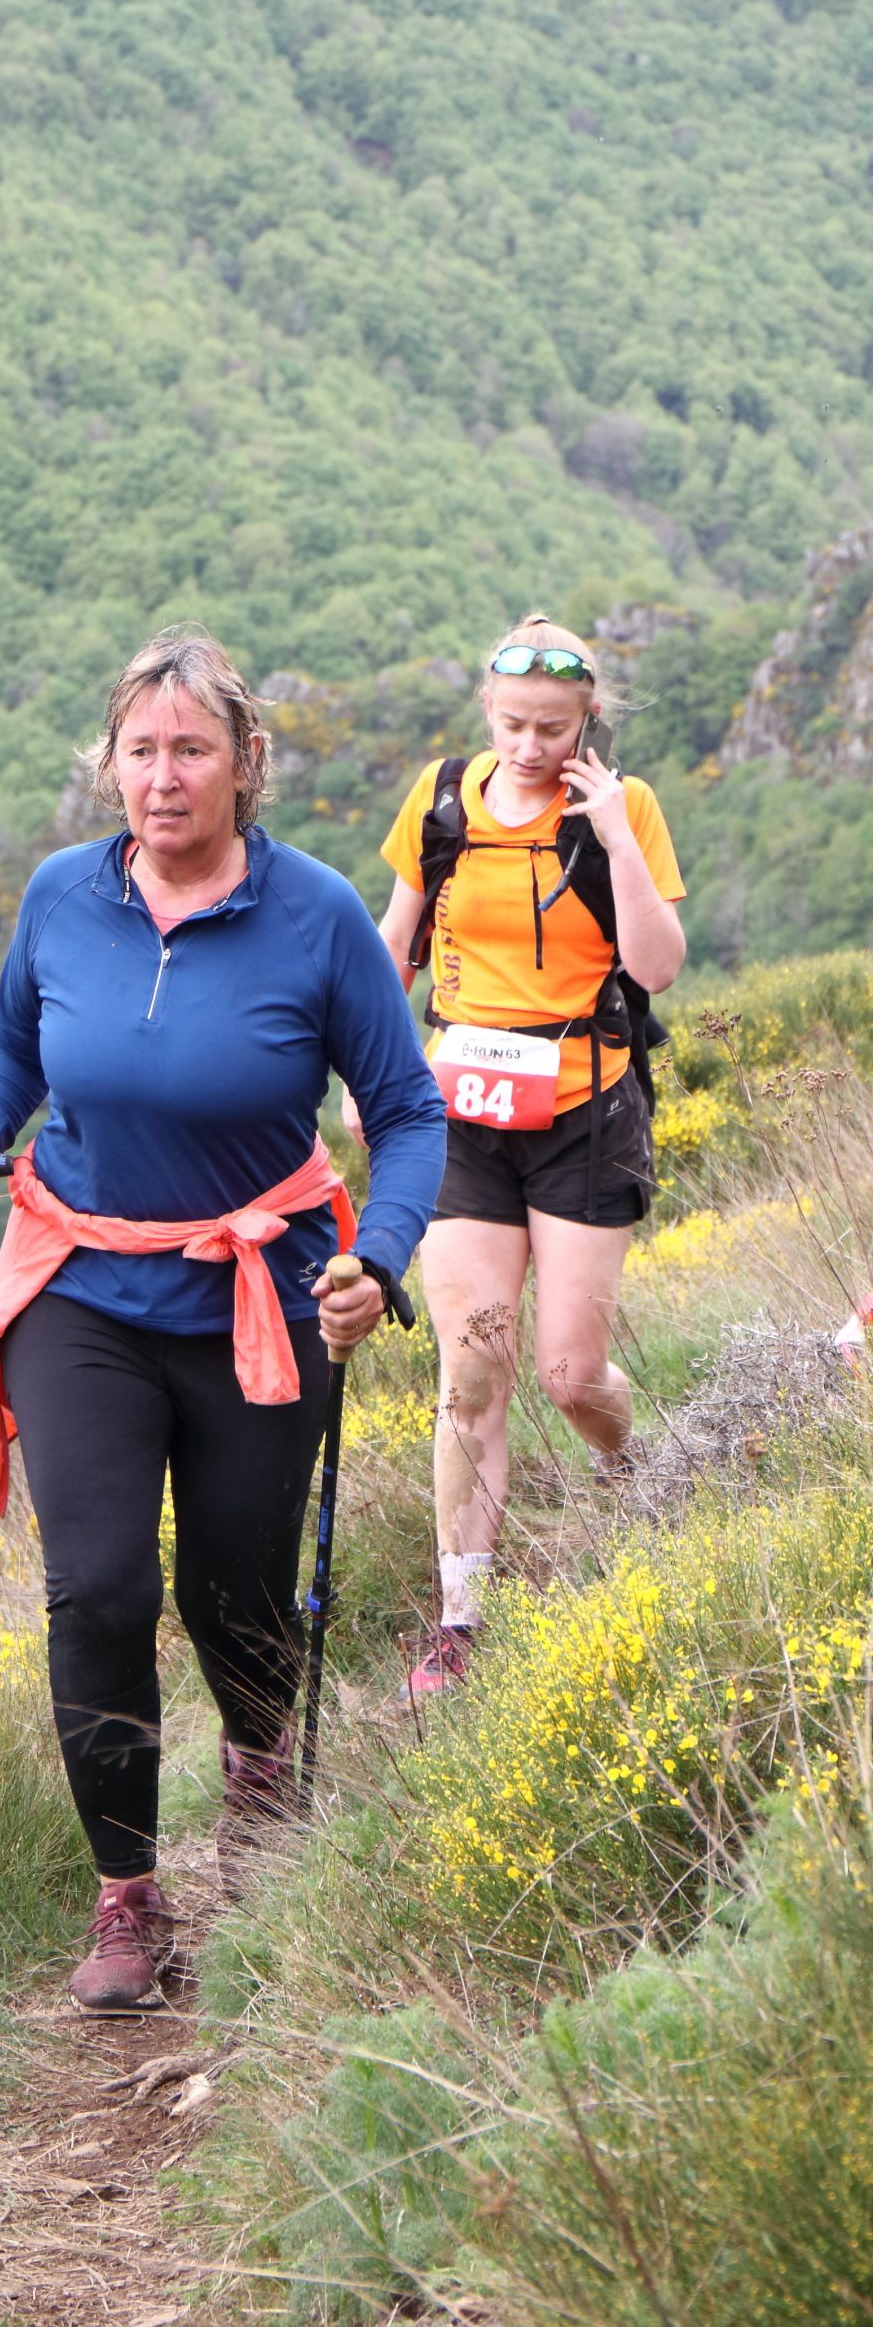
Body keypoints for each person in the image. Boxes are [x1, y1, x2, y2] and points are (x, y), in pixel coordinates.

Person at [0, 630, 445, 2014]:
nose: (162, 776)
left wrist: (374, 1259)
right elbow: (12, 1041)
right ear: (110, 765)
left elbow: (406, 1112)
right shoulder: (61, 895)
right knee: (96, 1588)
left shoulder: (317, 916)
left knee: (232, 1589)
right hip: (79, 1286)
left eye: (190, 749)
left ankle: (259, 1768)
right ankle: (128, 1897)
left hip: (261, 1295)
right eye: (139, 750)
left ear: (243, 764)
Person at [343, 612, 686, 1705]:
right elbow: (393, 945)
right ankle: (460, 1621)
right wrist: (367, 1072)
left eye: (553, 728)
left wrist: (617, 839)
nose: (531, 748)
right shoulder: (442, 799)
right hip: (461, 1114)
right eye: (512, 725)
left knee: (570, 1375)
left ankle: (628, 1461)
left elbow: (658, 968)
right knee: (471, 1371)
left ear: (588, 720)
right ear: (486, 712)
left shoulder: (624, 807)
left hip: (584, 1108)